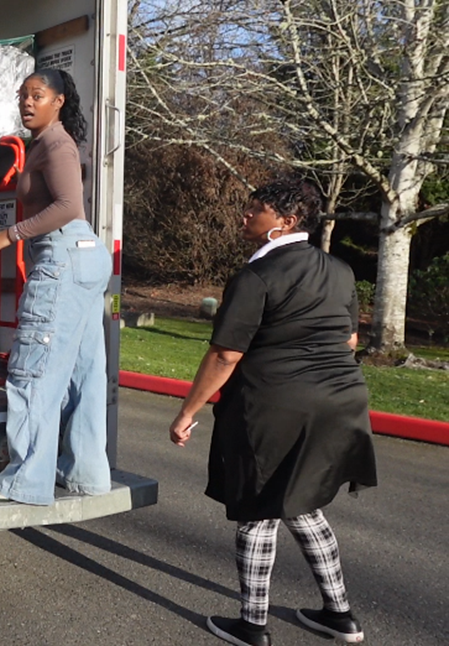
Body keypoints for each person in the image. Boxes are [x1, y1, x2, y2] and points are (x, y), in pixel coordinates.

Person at [167, 178, 377, 646]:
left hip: (274, 405)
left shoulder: (255, 277)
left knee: (258, 511)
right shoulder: (339, 270)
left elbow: (225, 355)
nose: (245, 215)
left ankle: (252, 625)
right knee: (303, 503)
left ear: (285, 223)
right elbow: (349, 341)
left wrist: (187, 412)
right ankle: (339, 616)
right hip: (341, 401)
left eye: (255, 209)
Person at [0, 69, 113, 505]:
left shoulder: (56, 144)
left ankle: (26, 480)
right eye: (22, 96)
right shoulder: (50, 143)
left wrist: (10, 234)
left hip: (64, 257)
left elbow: (69, 205)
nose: (27, 103)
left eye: (37, 95)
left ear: (58, 101)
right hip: (83, 257)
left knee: (35, 367)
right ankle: (84, 472)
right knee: (83, 372)